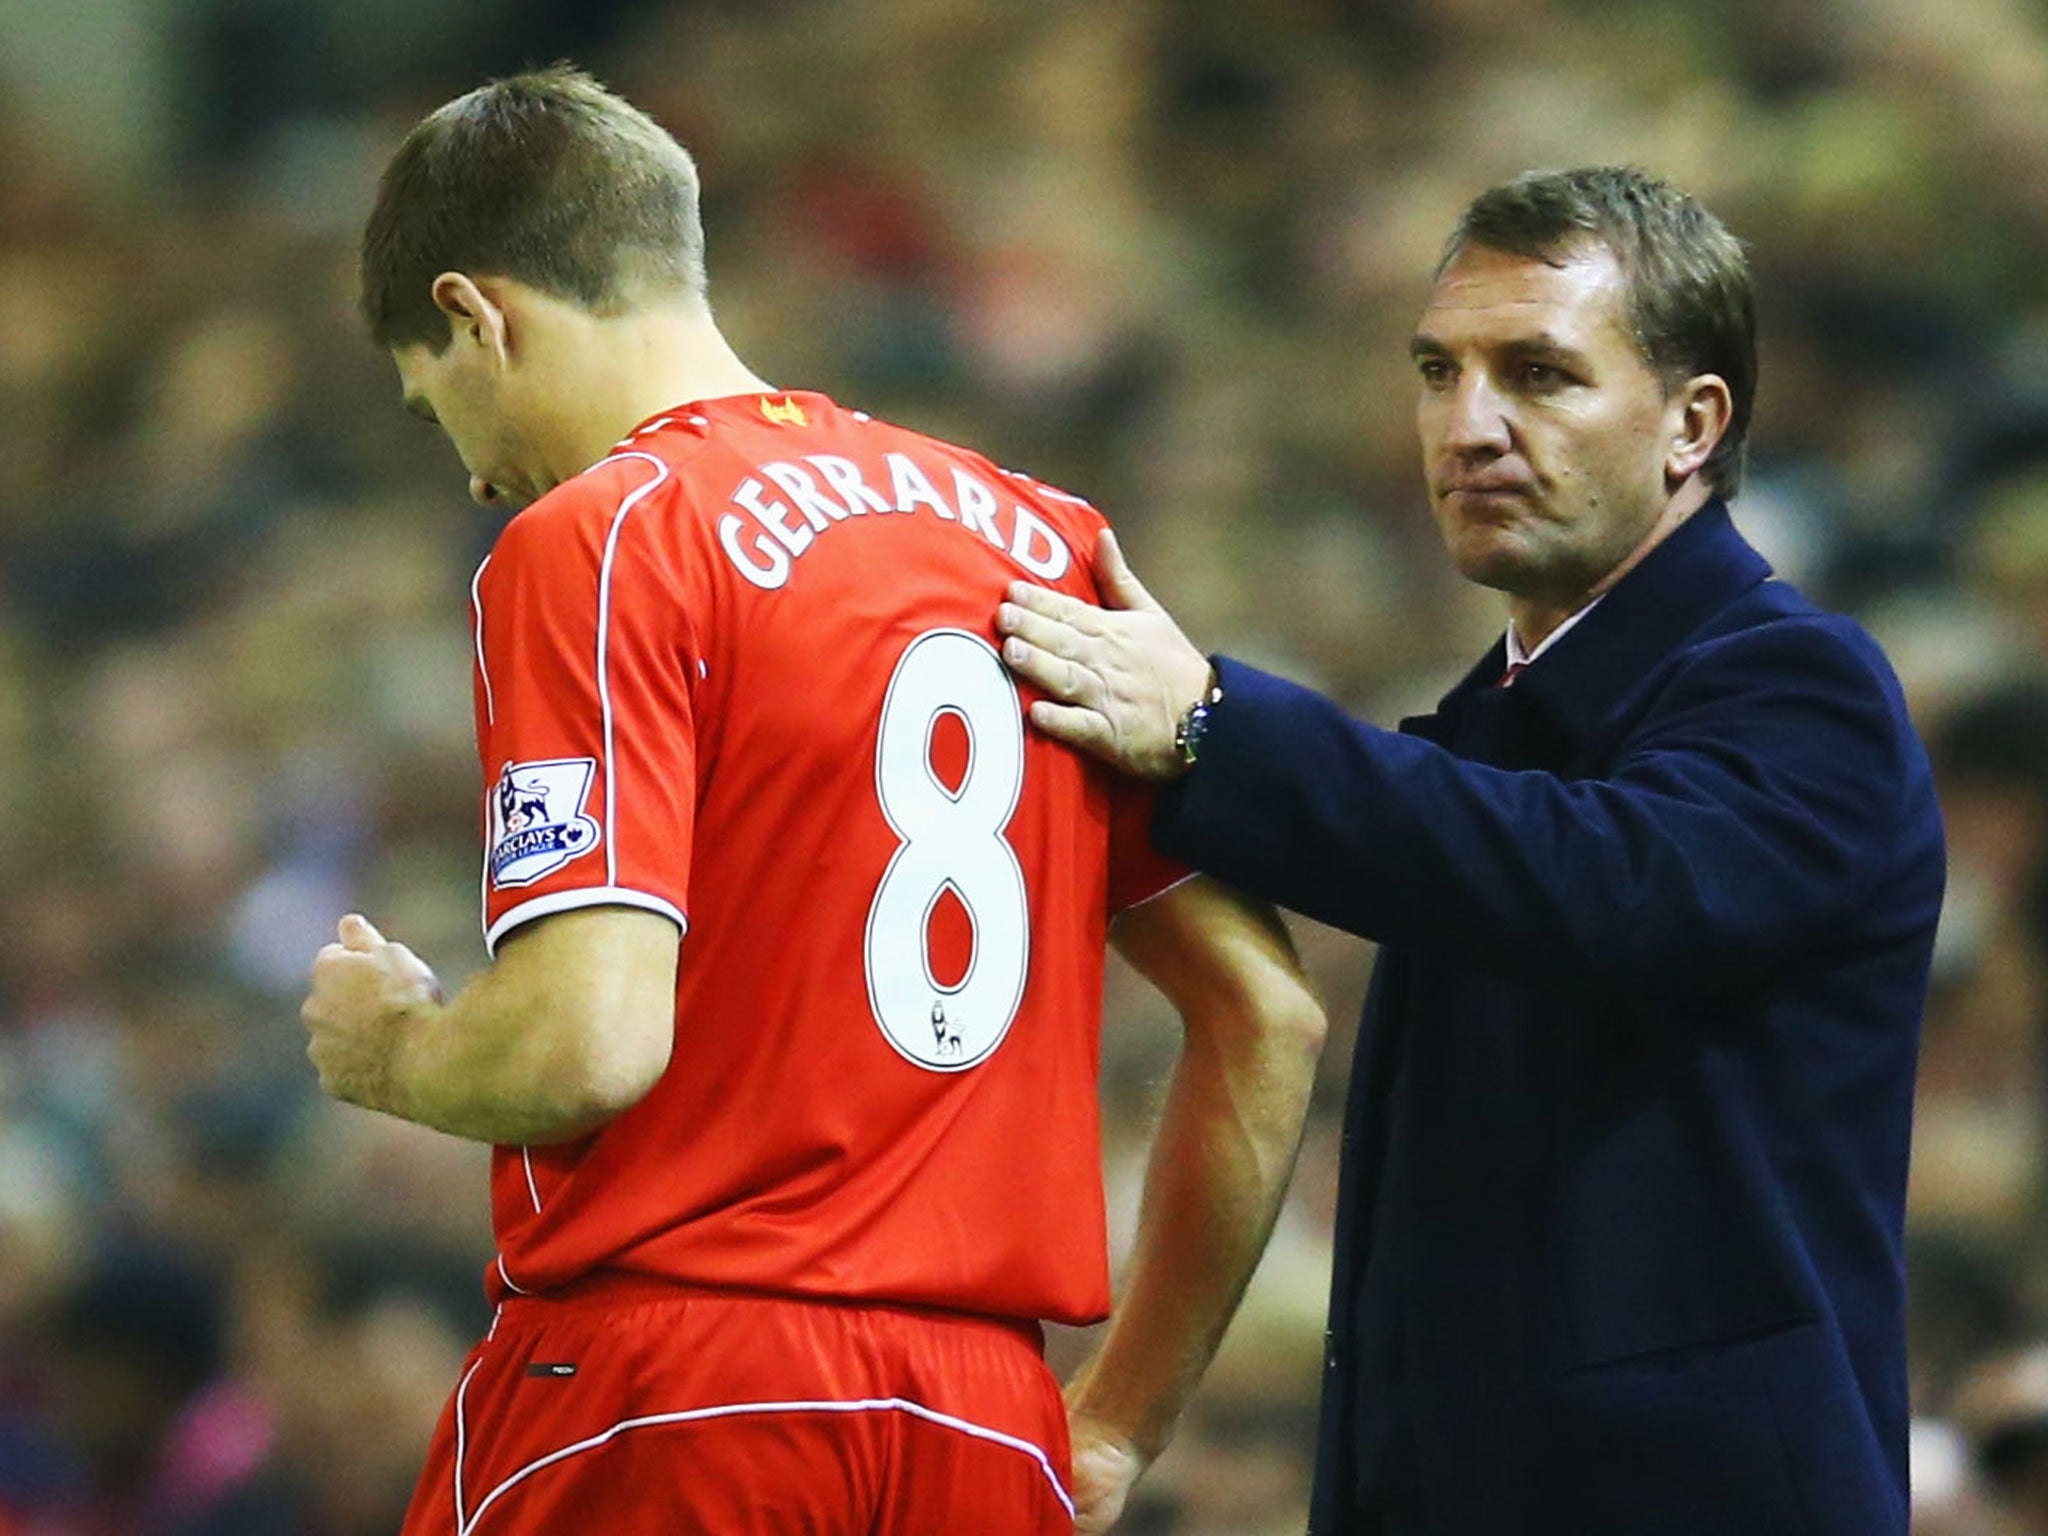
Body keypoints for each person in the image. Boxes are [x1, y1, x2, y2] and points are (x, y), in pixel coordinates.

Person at [298, 66, 1326, 1536]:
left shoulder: (604, 534)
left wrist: (392, 1052)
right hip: (983, 1422)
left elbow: (585, 1043)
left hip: (681, 1391)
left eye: (432, 402)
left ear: (476, 315)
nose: (469, 479)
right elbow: (1269, 1017)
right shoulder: (1042, 540)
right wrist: (1114, 1429)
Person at [996, 166, 1944, 1535]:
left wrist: (1211, 722)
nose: (1469, 426)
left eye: (1540, 375)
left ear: (1693, 424)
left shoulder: (1803, 683)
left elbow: (1613, 884)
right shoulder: (1494, 725)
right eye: (1440, 371)